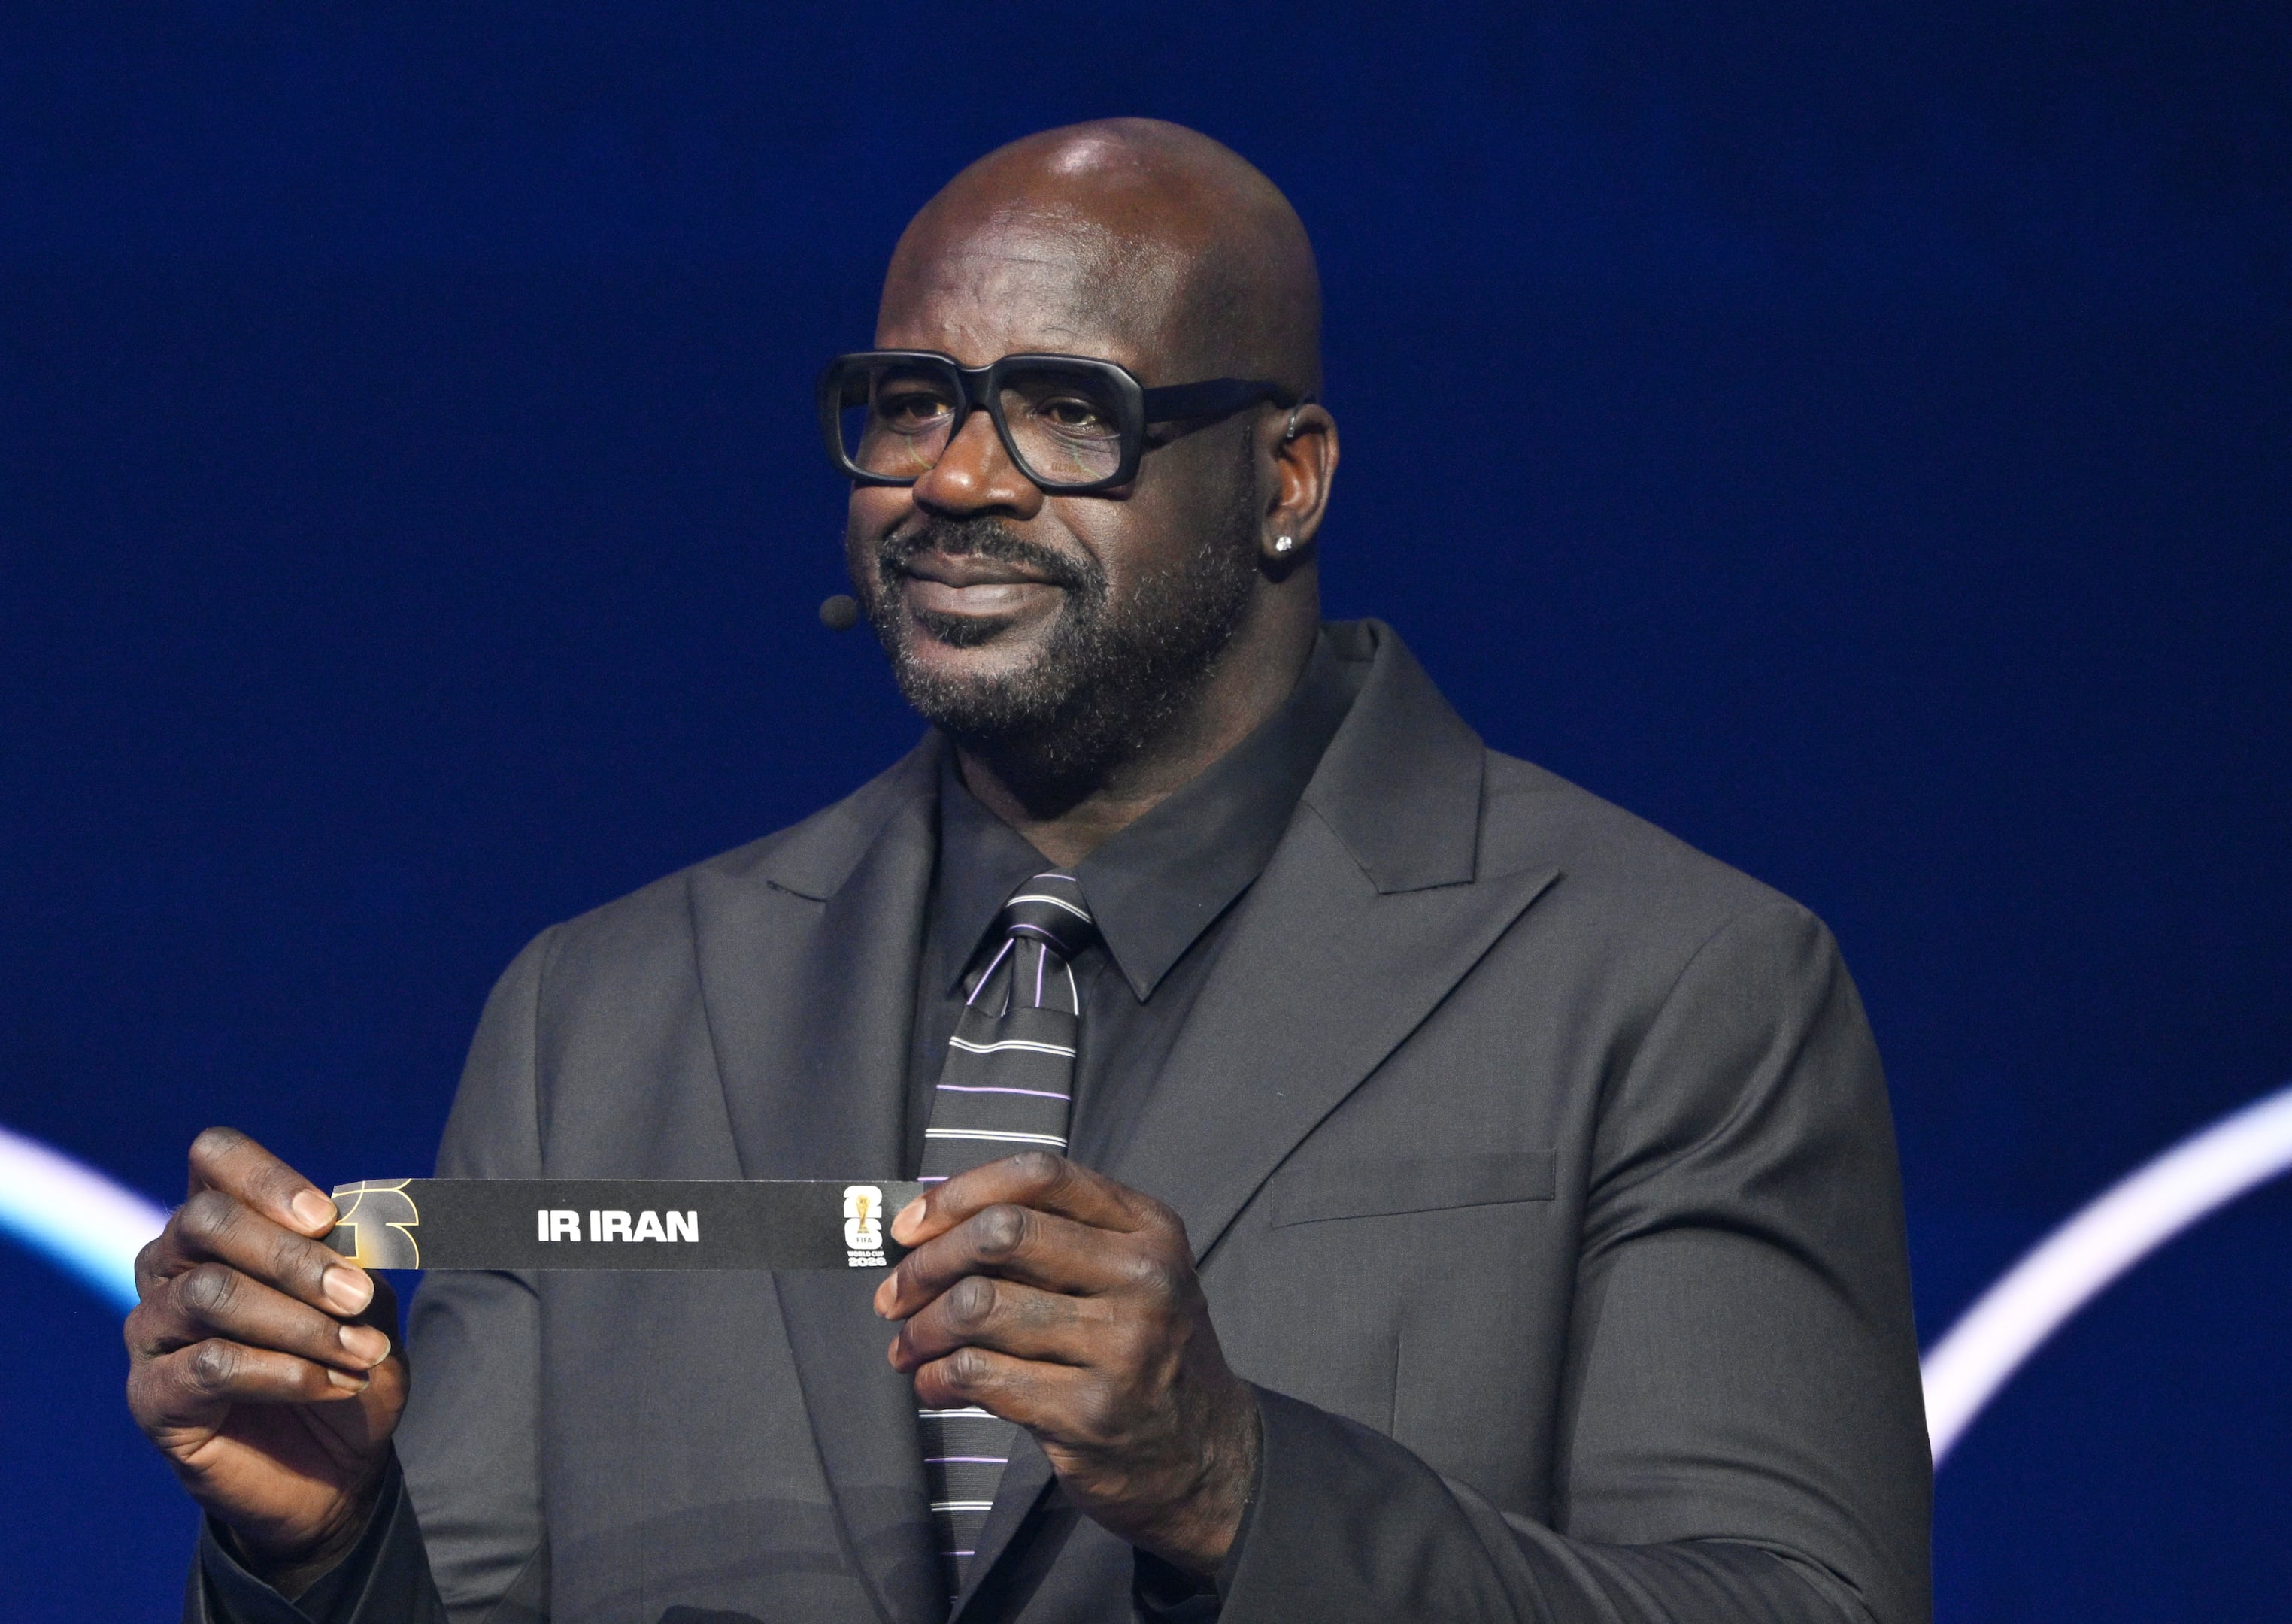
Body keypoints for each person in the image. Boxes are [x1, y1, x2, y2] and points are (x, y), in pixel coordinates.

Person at [123, 119, 1933, 1624]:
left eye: (1068, 412)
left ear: (1286, 478)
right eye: (909, 404)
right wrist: (327, 1547)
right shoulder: (602, 1013)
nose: (958, 480)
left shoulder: (1676, 984)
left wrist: (1241, 1487)